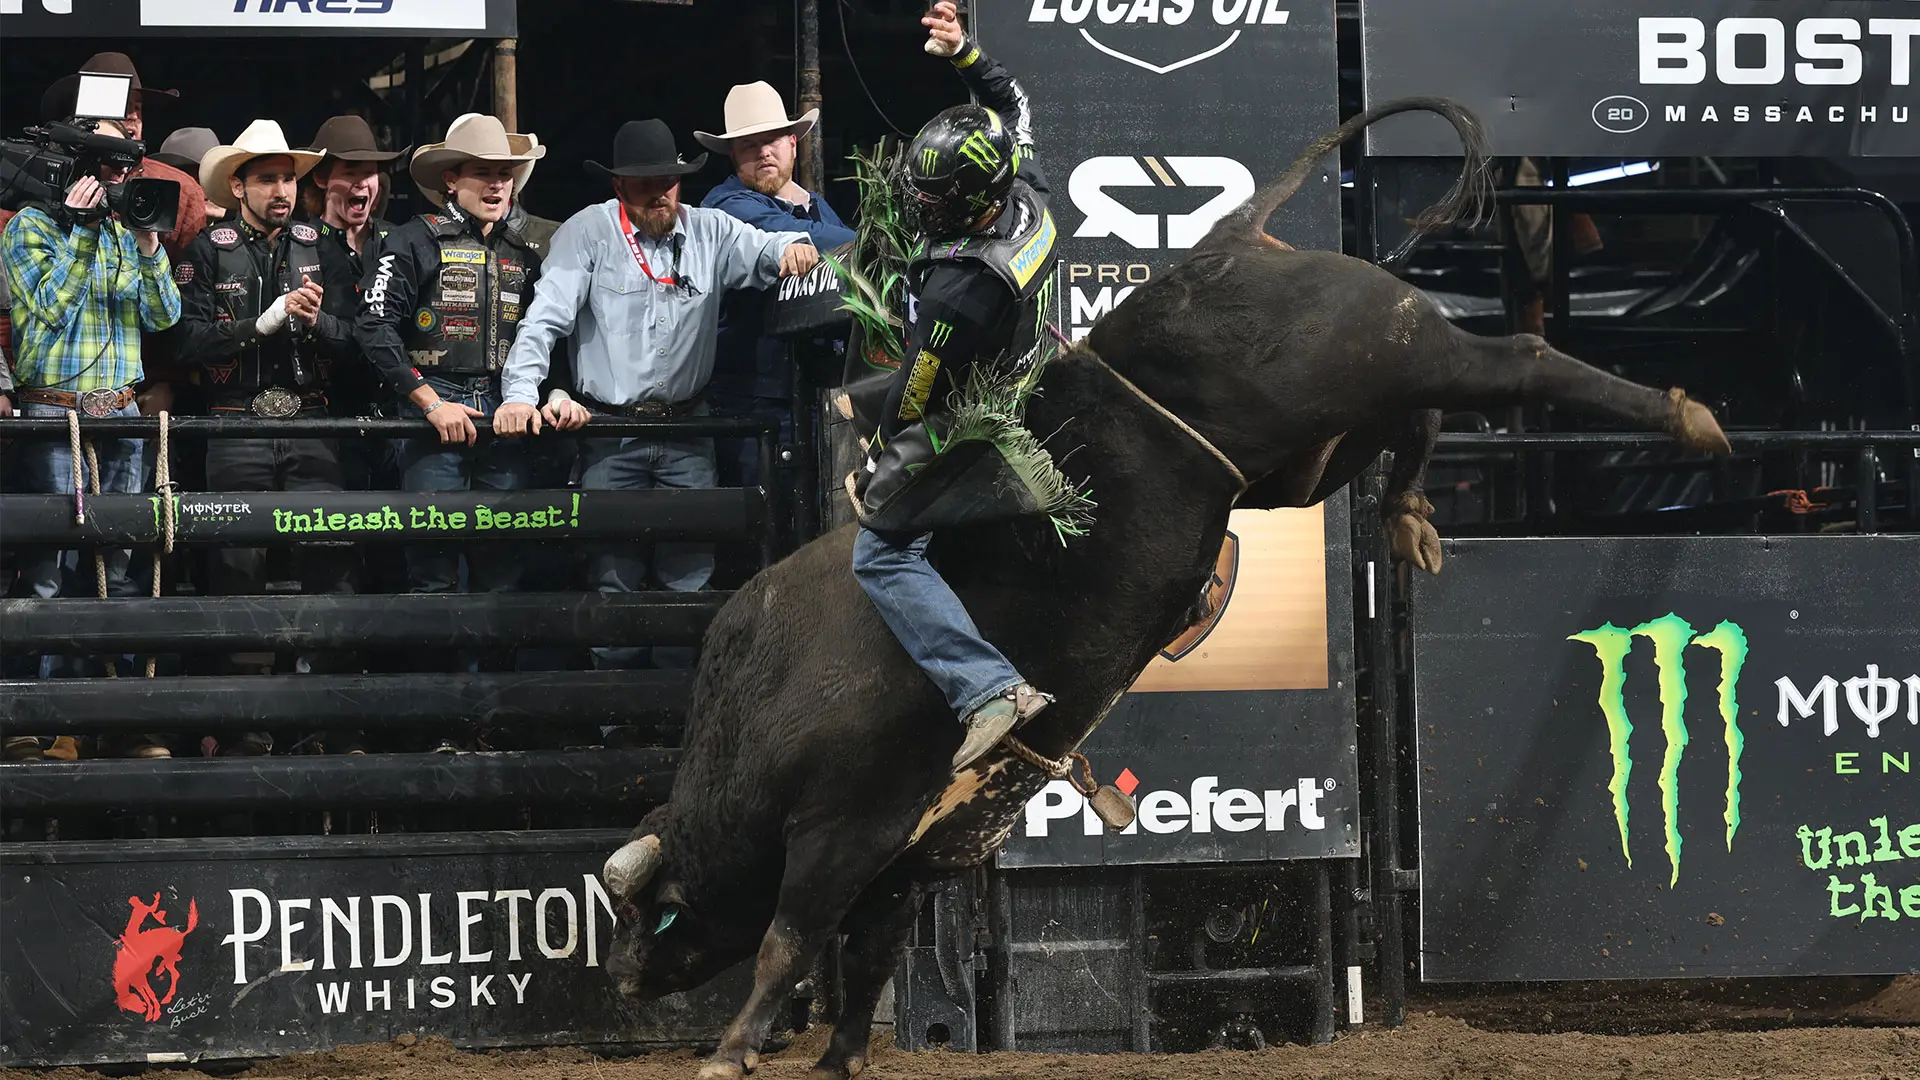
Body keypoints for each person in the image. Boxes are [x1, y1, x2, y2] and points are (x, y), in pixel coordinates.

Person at [496, 118, 817, 670]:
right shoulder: (588, 233)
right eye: (644, 182)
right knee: (612, 580)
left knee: (689, 581)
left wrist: (796, 245)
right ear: (619, 186)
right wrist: (520, 394)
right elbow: (542, 321)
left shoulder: (711, 229)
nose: (659, 191)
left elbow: (775, 246)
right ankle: (616, 719)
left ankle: (680, 716)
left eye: (667, 180)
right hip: (609, 433)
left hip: (690, 431)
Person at [850, 1, 1061, 772]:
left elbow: (918, 393)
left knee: (880, 553)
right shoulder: (1027, 192)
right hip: (1030, 369)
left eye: (935, 200)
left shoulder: (958, 286)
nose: (922, 205)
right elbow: (1012, 106)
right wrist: (966, 54)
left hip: (980, 415)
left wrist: (877, 458)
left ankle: (986, 689)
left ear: (973, 200)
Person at [1, 116, 183, 759]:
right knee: (50, 570)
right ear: (77, 168)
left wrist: (151, 247)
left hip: (124, 419)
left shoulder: (121, 230)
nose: (121, 179)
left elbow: (165, 316)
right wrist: (80, 236)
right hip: (54, 417)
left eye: (128, 167)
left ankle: (122, 719)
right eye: (110, 166)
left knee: (126, 568)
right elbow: (45, 312)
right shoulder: (28, 226)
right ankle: (40, 722)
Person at [174, 121, 353, 753]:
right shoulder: (206, 247)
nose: (282, 189)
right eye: (268, 178)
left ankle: (310, 720)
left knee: (326, 568)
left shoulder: (323, 247)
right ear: (240, 184)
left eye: (289, 178)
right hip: (235, 422)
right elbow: (182, 340)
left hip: (312, 422)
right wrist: (260, 324)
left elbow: (362, 335)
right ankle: (238, 722)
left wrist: (318, 321)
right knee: (233, 573)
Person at [353, 114, 546, 609]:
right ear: (452, 179)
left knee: (502, 572)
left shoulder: (527, 246)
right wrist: (429, 402)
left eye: (505, 173)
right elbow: (373, 325)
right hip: (435, 410)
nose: (497, 183)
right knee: (433, 572)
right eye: (483, 172)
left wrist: (543, 395)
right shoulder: (412, 239)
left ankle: (492, 687)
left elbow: (549, 332)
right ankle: (437, 686)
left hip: (507, 410)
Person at [696, 81, 856, 502]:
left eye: (770, 141)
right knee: (763, 518)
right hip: (750, 400)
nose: (763, 152)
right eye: (749, 145)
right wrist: (877, 240)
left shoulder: (818, 207)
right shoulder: (725, 207)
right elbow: (819, 240)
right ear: (733, 156)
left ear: (792, 143)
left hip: (817, 396)